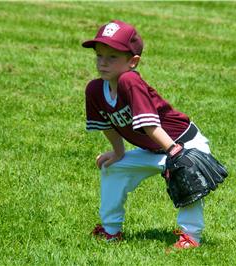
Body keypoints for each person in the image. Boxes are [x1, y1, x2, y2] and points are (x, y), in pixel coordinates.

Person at [82, 20, 213, 249]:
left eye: (112, 57)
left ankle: (191, 237)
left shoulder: (130, 80)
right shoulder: (95, 89)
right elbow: (106, 123)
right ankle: (110, 230)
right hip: (155, 148)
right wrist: (118, 152)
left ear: (133, 62)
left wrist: (175, 154)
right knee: (112, 168)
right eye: (99, 55)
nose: (103, 62)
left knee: (185, 174)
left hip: (184, 143)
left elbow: (150, 124)